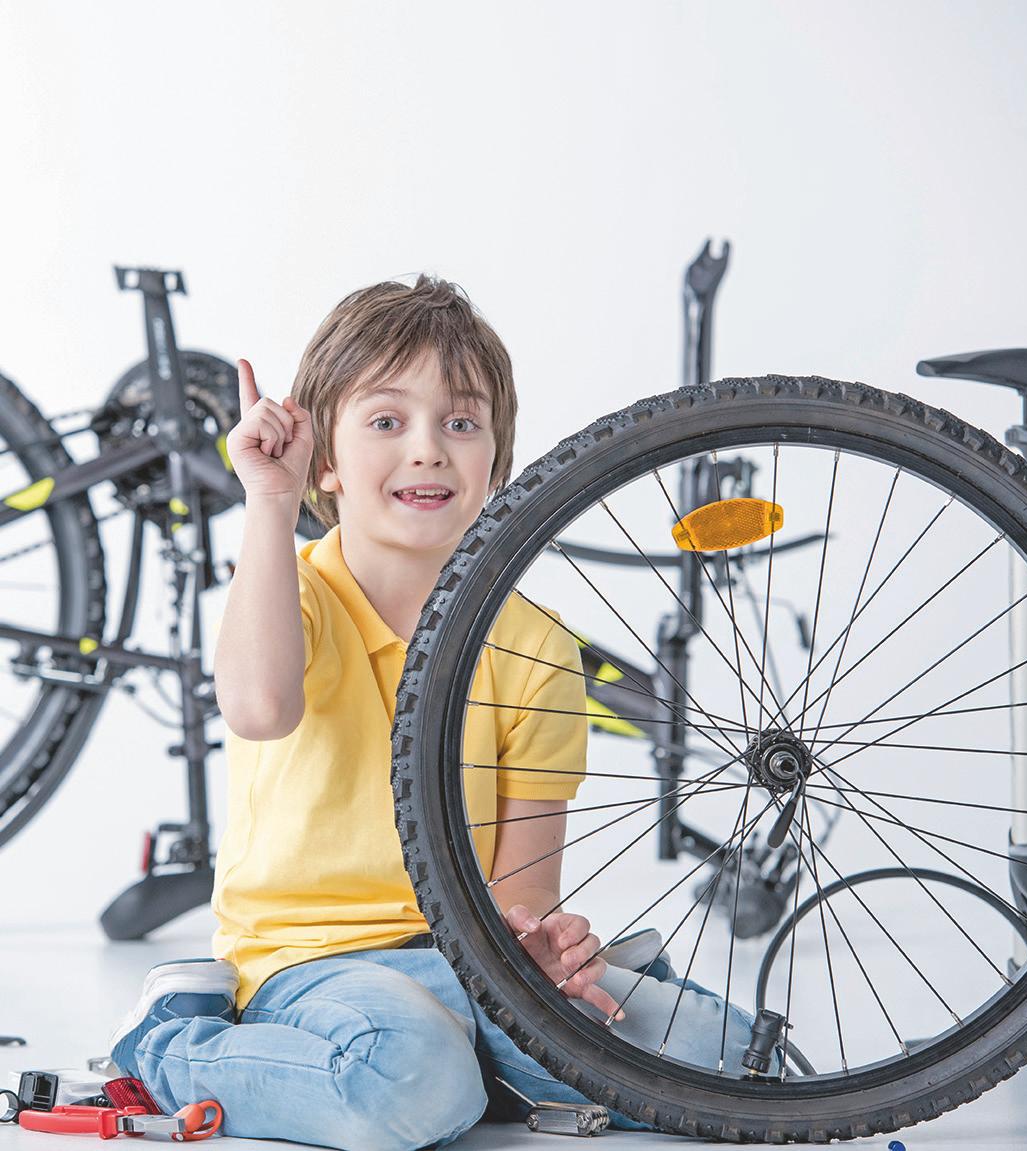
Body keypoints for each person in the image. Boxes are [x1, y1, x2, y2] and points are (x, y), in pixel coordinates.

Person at [106, 275, 770, 1150]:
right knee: (412, 1083)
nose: (428, 449)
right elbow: (259, 706)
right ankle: (176, 1045)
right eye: (387, 421)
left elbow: (519, 895)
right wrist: (270, 500)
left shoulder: (536, 646)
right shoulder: (293, 591)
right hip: (313, 963)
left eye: (461, 422)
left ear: (495, 463)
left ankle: (484, 1063)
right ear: (327, 462)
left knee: (739, 1066)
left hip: (472, 965)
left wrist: (539, 950)